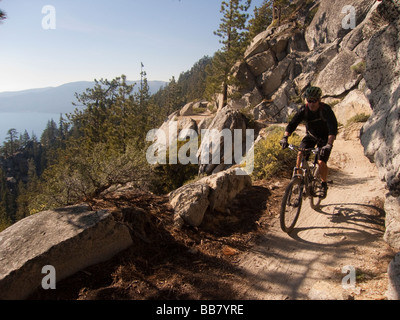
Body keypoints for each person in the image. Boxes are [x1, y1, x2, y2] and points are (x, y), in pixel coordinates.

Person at [280, 86, 338, 199]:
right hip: (310, 136)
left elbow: (332, 128)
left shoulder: (325, 110)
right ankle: (298, 180)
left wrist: (329, 145)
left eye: (314, 101)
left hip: (324, 138)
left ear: (319, 100)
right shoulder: (304, 110)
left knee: (321, 162)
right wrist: (285, 138)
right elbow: (292, 124)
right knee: (300, 153)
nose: (311, 103)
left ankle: (323, 184)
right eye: (309, 100)